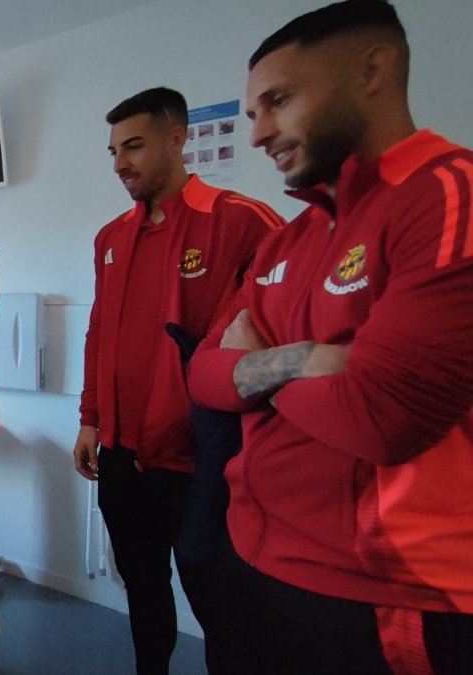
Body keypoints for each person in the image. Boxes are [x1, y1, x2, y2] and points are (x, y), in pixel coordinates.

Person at [187, 2, 473, 673]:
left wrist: (253, 369)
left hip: (380, 592)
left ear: (373, 70)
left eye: (277, 102)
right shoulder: (292, 237)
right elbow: (201, 375)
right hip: (257, 560)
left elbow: (383, 416)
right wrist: (306, 360)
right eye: (252, 113)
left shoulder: (446, 195)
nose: (257, 134)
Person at [73, 87, 281, 675]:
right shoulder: (110, 238)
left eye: (133, 146)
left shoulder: (241, 220)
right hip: (119, 453)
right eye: (113, 151)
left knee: (221, 603)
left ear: (177, 138)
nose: (120, 164)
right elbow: (98, 334)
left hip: (201, 460)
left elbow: (275, 327)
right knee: (142, 586)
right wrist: (90, 418)